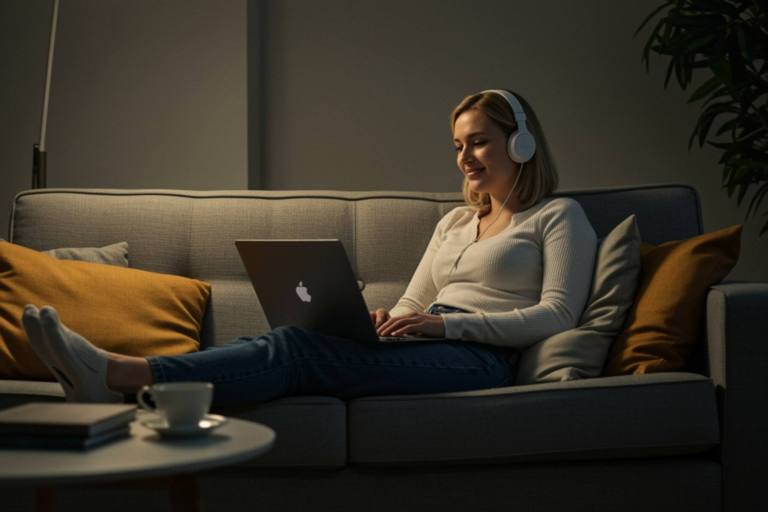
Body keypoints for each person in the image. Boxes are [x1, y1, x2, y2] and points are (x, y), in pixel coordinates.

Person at [21, 89, 597, 406]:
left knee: (294, 351)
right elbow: (413, 301)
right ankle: (129, 381)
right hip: (428, 339)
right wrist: (383, 321)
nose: (465, 157)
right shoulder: (454, 222)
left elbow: (558, 314)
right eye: (457, 146)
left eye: (479, 142)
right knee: (283, 339)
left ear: (520, 145)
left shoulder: (557, 216)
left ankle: (119, 373)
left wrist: (446, 326)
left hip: (481, 360)